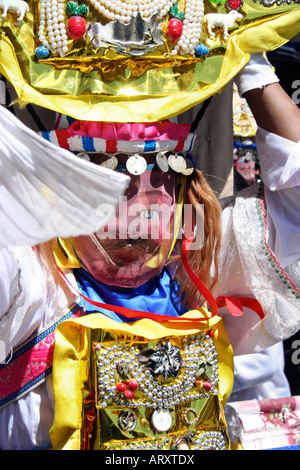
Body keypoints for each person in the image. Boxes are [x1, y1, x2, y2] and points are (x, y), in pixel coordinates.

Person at [0, 50, 300, 450]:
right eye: (108, 172)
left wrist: (253, 69)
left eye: (160, 171)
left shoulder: (203, 269)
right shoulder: (32, 283)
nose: (141, 201)